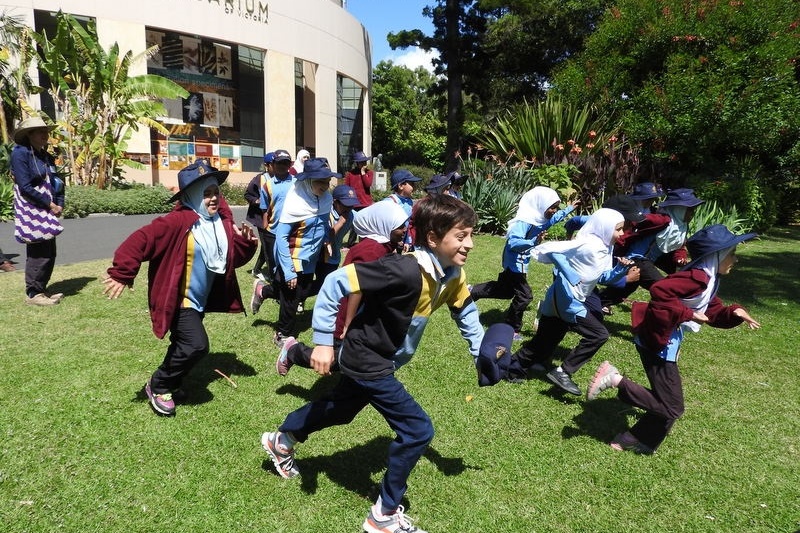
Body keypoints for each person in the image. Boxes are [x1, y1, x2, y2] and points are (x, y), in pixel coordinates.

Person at [260, 194, 483, 533]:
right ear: (434, 238)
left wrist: (481, 353)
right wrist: (322, 342)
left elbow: (464, 309)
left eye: (471, 235)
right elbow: (336, 283)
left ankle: (282, 440)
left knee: (341, 408)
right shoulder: (404, 268)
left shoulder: (451, 274)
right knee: (417, 430)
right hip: (368, 358)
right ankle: (383, 516)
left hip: (379, 357)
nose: (470, 244)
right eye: (461, 235)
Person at [585, 224, 760, 453]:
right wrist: (687, 313)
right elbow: (660, 290)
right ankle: (615, 380)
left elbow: (711, 312)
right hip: (658, 341)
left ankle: (638, 440)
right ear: (717, 255)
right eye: (732, 254)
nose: (735, 260)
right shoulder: (697, 277)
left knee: (669, 402)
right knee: (673, 407)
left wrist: (734, 313)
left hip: (665, 339)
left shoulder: (708, 279)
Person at [103, 160, 257, 416]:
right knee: (196, 345)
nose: (213, 199)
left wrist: (246, 243)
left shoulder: (218, 222)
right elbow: (141, 240)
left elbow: (229, 260)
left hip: (198, 298)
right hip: (178, 299)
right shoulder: (178, 221)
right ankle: (159, 383)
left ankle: (172, 382)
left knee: (183, 343)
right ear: (191, 196)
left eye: (215, 192)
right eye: (205, 194)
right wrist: (122, 273)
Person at [276, 200, 409, 376]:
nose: (405, 230)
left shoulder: (384, 247)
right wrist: (348, 324)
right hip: (347, 314)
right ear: (386, 225)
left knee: (354, 359)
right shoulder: (371, 250)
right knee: (341, 358)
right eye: (400, 227)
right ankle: (293, 352)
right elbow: (356, 287)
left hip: (362, 315)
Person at [507, 208, 631, 395]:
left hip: (565, 299)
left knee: (546, 340)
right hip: (567, 299)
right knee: (599, 334)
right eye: (619, 229)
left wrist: (620, 270)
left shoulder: (606, 247)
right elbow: (548, 249)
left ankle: (513, 368)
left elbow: (603, 277)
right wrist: (568, 272)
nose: (622, 234)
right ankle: (563, 372)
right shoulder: (587, 243)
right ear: (605, 227)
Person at [470, 186, 578, 340]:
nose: (554, 211)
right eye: (552, 207)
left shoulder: (539, 218)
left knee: (506, 291)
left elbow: (552, 220)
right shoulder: (524, 222)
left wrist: (569, 209)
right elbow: (513, 243)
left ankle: (473, 291)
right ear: (540, 204)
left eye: (556, 208)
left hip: (518, 263)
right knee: (525, 296)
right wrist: (533, 241)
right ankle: (511, 328)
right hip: (515, 263)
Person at [251, 157, 337, 347]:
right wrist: (289, 270)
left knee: (303, 291)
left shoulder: (326, 199)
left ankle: (263, 291)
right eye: (320, 181)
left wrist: (327, 240)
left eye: (327, 181)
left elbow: (323, 223)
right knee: (291, 298)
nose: (325, 186)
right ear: (307, 180)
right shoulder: (296, 200)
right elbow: (281, 238)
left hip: (311, 258)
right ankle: (282, 334)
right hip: (292, 256)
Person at [10, 116, 64, 306]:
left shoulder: (45, 156)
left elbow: (57, 182)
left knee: (50, 250)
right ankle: (33, 293)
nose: (45, 135)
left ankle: (41, 289)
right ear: (29, 134)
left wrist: (59, 203)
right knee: (38, 249)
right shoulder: (20, 153)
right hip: (31, 205)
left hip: (48, 205)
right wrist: (50, 204)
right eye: (40, 131)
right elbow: (25, 186)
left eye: (46, 131)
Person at [307, 184, 359, 298]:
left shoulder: (351, 215)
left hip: (332, 257)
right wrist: (340, 223)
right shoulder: (325, 213)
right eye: (346, 205)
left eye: (352, 205)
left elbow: (365, 222)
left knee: (323, 285)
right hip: (317, 254)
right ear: (335, 202)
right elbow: (326, 238)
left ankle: (298, 297)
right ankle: (291, 296)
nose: (349, 209)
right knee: (313, 283)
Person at [257, 149, 295, 283]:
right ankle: (276, 289)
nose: (282, 166)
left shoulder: (297, 184)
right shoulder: (267, 186)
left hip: (293, 231)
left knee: (291, 263)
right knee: (274, 265)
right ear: (273, 164)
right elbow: (264, 210)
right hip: (273, 232)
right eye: (279, 163)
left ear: (289, 165)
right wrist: (265, 228)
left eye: (285, 163)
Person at [651, 188, 705, 273]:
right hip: (641, 258)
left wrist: (680, 258)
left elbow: (680, 246)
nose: (692, 214)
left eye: (694, 210)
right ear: (678, 209)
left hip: (662, 257)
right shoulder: (660, 221)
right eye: (690, 210)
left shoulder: (683, 226)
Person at [244, 152, 274, 279]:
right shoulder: (259, 179)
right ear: (267, 165)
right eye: (274, 164)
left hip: (274, 217)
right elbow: (248, 195)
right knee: (267, 245)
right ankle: (273, 275)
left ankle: (256, 269)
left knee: (268, 245)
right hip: (261, 217)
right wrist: (257, 201)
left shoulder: (282, 178)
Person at [382, 168, 422, 252]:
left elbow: (407, 224)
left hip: (402, 240)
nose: (414, 187)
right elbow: (385, 226)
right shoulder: (390, 202)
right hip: (389, 242)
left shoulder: (409, 202)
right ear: (400, 186)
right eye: (411, 184)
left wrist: (407, 241)